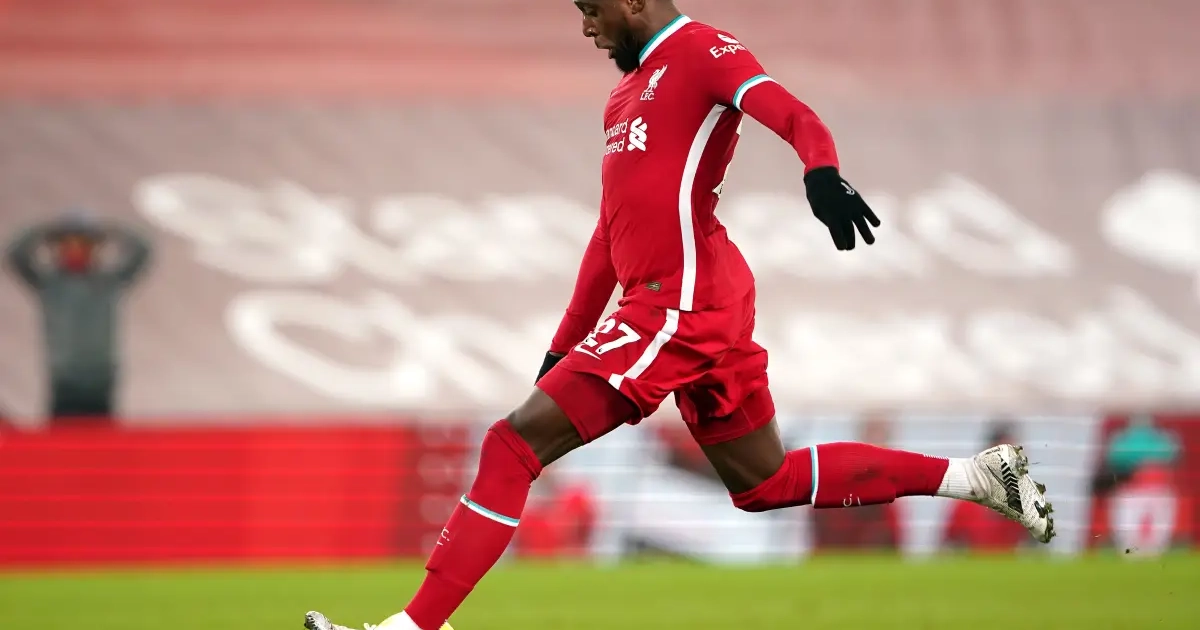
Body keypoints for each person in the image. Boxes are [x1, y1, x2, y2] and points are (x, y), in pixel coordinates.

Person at [306, 2, 1054, 629]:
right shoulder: (623, 98)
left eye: (592, 10)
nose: (587, 27)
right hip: (691, 301)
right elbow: (610, 237)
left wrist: (821, 171)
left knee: (511, 446)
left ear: (632, 1)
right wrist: (562, 347)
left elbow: (794, 114)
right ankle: (977, 477)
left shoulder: (701, 51)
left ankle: (410, 629)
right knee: (764, 482)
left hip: (680, 301)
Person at [5, 210, 152, 420]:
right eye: (69, 245)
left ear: (93, 249)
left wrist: (108, 228)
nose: (76, 251)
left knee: (101, 435)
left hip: (101, 377)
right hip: (65, 378)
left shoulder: (108, 283)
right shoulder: (51, 285)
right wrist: (49, 228)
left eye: (83, 244)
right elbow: (15, 254)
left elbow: (143, 250)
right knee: (62, 435)